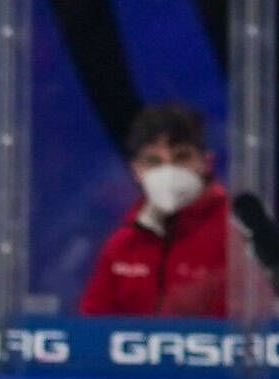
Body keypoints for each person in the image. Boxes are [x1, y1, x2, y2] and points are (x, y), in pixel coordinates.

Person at [75, 99, 233, 316]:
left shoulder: (238, 233)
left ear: (206, 163)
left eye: (182, 157)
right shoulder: (122, 244)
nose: (168, 170)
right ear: (136, 171)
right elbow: (91, 328)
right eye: (154, 161)